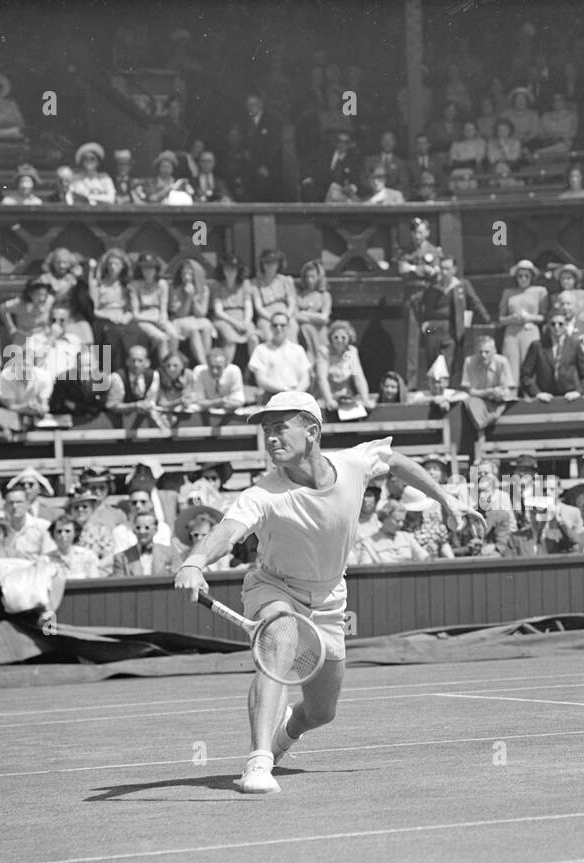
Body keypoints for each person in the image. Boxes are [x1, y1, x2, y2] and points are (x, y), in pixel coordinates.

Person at [173, 389, 483, 795]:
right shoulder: (262, 494)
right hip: (274, 587)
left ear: (313, 431)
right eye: (266, 431)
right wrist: (196, 562)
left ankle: (283, 735)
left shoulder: (353, 464)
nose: (270, 438)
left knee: (321, 712)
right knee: (279, 640)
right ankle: (257, 762)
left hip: (330, 601)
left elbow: (394, 461)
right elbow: (226, 533)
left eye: (280, 428)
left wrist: (445, 498)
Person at [415, 254, 489, 385]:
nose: (444, 272)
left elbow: (475, 302)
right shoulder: (432, 286)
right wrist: (423, 323)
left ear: (454, 269)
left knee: (448, 357)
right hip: (432, 326)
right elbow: (419, 303)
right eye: (442, 268)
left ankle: (445, 388)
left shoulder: (461, 285)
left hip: (451, 326)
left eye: (447, 268)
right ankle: (432, 387)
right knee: (431, 354)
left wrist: (487, 320)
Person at [520, 311, 584, 402]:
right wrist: (537, 393)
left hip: (570, 398)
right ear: (548, 326)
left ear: (566, 326)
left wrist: (578, 392)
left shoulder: (575, 346)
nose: (557, 327)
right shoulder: (537, 346)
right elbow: (525, 375)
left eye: (560, 324)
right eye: (553, 324)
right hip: (545, 398)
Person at [498, 259, 548, 376]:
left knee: (529, 366)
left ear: (532, 277)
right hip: (512, 333)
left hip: (530, 331)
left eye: (527, 276)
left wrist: (529, 317)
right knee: (511, 368)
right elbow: (501, 318)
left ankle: (530, 393)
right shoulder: (508, 293)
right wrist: (512, 318)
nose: (523, 279)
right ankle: (512, 393)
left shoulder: (539, 291)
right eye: (520, 276)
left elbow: (544, 317)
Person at [248, 313, 312, 398]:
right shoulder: (261, 350)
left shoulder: (298, 350)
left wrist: (295, 393)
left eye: (282, 325)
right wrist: (284, 390)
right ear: (270, 327)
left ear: (288, 327)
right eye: (275, 325)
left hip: (297, 395)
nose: (279, 328)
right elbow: (261, 380)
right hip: (271, 396)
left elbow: (305, 379)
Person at [352, 500, 432, 564]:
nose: (400, 524)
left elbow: (425, 558)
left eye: (402, 521)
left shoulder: (407, 537)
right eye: (397, 520)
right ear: (385, 517)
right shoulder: (369, 543)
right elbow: (365, 571)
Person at [191, 346, 246, 415]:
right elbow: (199, 401)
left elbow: (239, 401)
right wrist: (221, 401)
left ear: (226, 365)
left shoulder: (234, 370)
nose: (215, 371)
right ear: (207, 363)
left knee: (240, 412)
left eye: (218, 367)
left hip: (227, 411)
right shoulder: (199, 371)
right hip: (206, 410)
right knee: (193, 408)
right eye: (212, 366)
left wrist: (212, 403)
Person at [47, 513, 104, 579]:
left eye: (67, 531)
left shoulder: (88, 556)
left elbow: (94, 583)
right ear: (53, 534)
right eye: (59, 531)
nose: (63, 534)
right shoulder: (45, 560)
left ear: (75, 533)